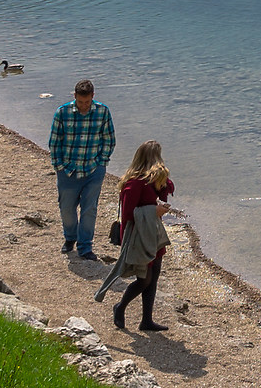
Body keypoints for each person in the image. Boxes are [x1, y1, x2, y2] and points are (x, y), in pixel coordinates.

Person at [110, 140, 176, 333]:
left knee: (153, 277)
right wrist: (154, 211)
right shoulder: (134, 183)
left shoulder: (151, 181)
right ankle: (120, 307)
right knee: (144, 279)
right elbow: (128, 214)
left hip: (153, 233)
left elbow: (165, 193)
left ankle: (147, 320)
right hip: (138, 236)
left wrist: (163, 182)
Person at [47, 79, 116, 262]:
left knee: (89, 209)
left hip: (93, 170)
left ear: (93, 96)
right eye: (80, 102)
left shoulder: (102, 111)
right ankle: (70, 237)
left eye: (87, 102)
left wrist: (102, 162)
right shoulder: (62, 112)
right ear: (74, 96)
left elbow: (109, 140)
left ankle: (85, 247)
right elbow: (54, 142)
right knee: (66, 209)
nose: (84, 106)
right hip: (68, 170)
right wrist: (59, 166)